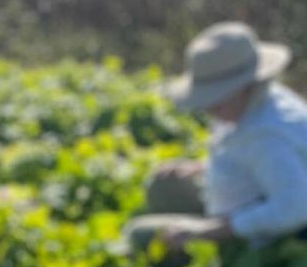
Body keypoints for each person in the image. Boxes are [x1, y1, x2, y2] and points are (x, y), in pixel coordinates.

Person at [127, 22, 307, 253]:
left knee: (139, 235)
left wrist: (209, 231)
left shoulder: (268, 137)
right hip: (241, 204)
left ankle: (220, 260)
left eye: (217, 99)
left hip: (264, 237)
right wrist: (200, 167)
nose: (209, 108)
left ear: (246, 86)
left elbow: (295, 208)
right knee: (164, 187)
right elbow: (248, 158)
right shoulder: (262, 101)